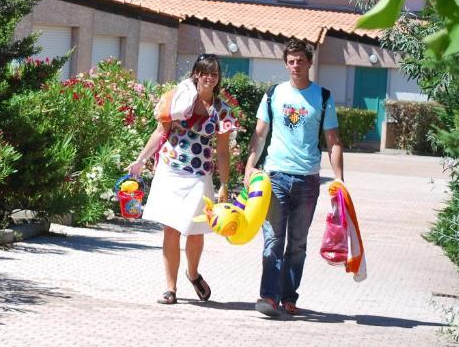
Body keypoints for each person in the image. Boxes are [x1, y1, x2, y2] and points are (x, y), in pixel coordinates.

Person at [244, 39, 344, 317]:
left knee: (297, 243)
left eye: (301, 60)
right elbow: (260, 133)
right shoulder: (273, 94)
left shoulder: (323, 97)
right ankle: (268, 297)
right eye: (291, 61)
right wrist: (249, 166)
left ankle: (288, 297)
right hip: (275, 176)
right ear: (286, 63)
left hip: (308, 180)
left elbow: (333, 140)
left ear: (309, 62)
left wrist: (339, 179)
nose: (296, 65)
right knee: (273, 240)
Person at [127, 54, 238, 305]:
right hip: (171, 169)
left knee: (195, 231)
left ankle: (193, 273)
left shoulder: (221, 110)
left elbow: (222, 151)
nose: (210, 77)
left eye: (214, 74)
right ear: (196, 74)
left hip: (200, 175)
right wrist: (140, 160)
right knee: (171, 229)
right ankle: (170, 288)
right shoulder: (179, 100)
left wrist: (224, 184)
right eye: (205, 72)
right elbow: (160, 132)